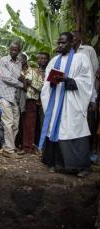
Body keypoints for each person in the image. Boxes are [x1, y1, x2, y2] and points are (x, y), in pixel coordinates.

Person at [39, 32, 93, 177]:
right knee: (56, 130)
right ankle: (57, 164)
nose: (60, 45)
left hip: (72, 102)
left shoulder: (81, 58)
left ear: (71, 43)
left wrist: (68, 80)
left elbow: (87, 81)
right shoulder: (54, 60)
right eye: (59, 43)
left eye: (63, 43)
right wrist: (53, 80)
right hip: (56, 101)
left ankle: (81, 167)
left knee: (74, 129)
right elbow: (47, 82)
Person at [71, 31, 99, 155]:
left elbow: (93, 74)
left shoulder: (88, 50)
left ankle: (87, 152)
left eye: (75, 37)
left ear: (80, 38)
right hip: (71, 95)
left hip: (86, 94)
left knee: (88, 124)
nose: (73, 40)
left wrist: (93, 97)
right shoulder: (67, 53)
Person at [0, 42, 25, 158]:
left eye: (16, 50)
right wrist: (22, 84)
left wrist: (20, 81)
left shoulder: (19, 63)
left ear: (19, 51)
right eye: (11, 49)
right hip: (4, 95)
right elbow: (6, 77)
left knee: (15, 124)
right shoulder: (3, 60)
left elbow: (18, 76)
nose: (13, 51)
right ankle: (9, 150)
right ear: (9, 49)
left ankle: (9, 147)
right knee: (8, 123)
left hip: (14, 97)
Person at [20, 53, 46, 155]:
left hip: (30, 100)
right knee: (18, 125)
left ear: (25, 60)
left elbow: (41, 87)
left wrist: (31, 83)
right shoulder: (16, 71)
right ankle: (19, 145)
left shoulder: (34, 72)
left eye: (21, 60)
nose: (19, 62)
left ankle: (28, 147)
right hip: (18, 101)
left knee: (29, 125)